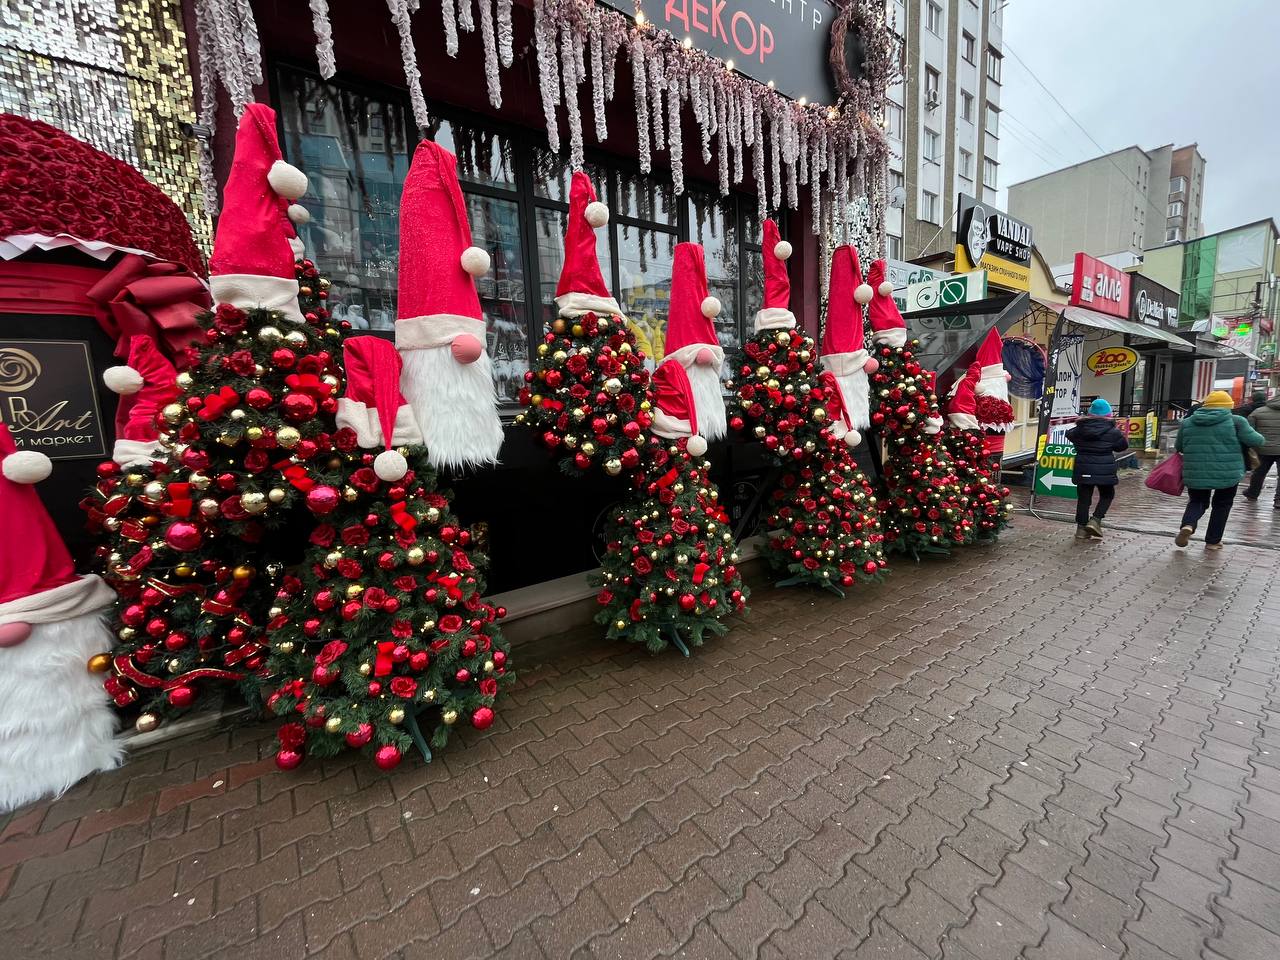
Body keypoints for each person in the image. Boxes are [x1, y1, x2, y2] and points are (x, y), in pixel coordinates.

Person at [1174, 390, 1265, 550]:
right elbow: (1257, 440)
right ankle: (1213, 541)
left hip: (1195, 471)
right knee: (1222, 504)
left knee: (1197, 501)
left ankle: (1188, 525)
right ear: (1228, 406)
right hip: (1228, 472)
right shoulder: (1236, 421)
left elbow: (1179, 446)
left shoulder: (1188, 422)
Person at [1066, 398, 1128, 540]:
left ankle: (1081, 530)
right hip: (1104, 469)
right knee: (1107, 495)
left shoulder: (1079, 430)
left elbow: (1069, 434)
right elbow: (1122, 446)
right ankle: (1096, 520)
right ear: (1108, 415)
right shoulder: (1113, 432)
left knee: (1083, 499)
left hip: (1083, 467)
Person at [1245, 391, 1280, 507]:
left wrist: (1253, 446)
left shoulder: (1258, 412)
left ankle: (1252, 493)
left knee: (1259, 472)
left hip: (1263, 448)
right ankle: (1278, 500)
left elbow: (1249, 430)